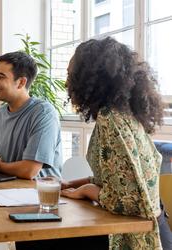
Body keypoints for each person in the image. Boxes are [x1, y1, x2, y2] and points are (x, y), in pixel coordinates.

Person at [61, 37, 172, 249]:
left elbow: (132, 200)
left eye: (71, 75)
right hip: (152, 227)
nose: (68, 82)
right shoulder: (123, 114)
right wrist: (72, 184)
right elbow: (119, 176)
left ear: (89, 78)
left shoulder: (110, 119)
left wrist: (87, 190)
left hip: (142, 237)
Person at [0, 51, 62, 179]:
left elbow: (29, 170)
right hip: (6, 189)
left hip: (38, 194)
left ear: (21, 82)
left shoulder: (43, 113)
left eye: (1, 76)